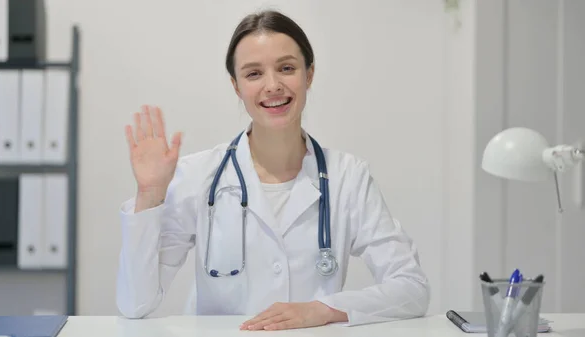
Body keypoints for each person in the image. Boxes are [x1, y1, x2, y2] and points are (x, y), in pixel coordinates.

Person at [116, 9, 430, 331]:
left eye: (287, 68)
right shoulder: (200, 176)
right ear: (236, 86)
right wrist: (150, 195)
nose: (273, 85)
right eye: (253, 74)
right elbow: (135, 304)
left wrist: (324, 308)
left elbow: (411, 287)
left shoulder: (348, 176)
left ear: (309, 74)